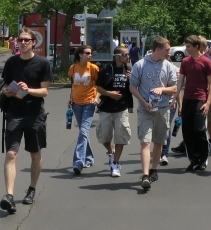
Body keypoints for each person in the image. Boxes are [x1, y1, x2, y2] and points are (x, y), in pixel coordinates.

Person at [0, 30, 52, 213]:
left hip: (35, 114)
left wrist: (28, 90)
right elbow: (4, 85)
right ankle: (9, 196)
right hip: (14, 113)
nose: (22, 43)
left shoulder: (42, 63)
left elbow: (45, 91)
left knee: (35, 154)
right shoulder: (11, 62)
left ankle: (31, 189)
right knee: (11, 154)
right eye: (19, 40)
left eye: (26, 40)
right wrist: (7, 91)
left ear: (33, 42)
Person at [129, 37, 178, 191]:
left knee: (158, 141)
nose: (169, 52)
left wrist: (161, 90)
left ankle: (153, 170)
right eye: (167, 49)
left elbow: (175, 88)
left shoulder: (169, 66)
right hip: (145, 109)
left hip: (163, 109)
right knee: (145, 141)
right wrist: (144, 102)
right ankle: (145, 175)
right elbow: (132, 87)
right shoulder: (140, 65)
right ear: (158, 49)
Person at [177, 35, 211, 171]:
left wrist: (208, 102)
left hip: (200, 99)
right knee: (187, 131)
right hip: (188, 99)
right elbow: (181, 80)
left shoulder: (206, 61)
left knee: (199, 130)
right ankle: (193, 159)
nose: (186, 49)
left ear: (196, 47)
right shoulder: (185, 61)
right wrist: (177, 98)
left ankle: (203, 158)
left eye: (188, 46)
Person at [96, 44, 133, 177]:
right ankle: (111, 153)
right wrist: (109, 94)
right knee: (104, 137)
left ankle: (115, 163)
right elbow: (98, 87)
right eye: (125, 55)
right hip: (106, 108)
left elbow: (133, 88)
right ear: (117, 56)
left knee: (121, 136)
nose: (128, 57)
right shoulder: (106, 68)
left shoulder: (128, 69)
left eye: (128, 54)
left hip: (122, 108)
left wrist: (131, 79)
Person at [67, 45, 100, 174]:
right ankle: (89, 158)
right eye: (87, 53)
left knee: (84, 131)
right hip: (76, 103)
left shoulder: (93, 68)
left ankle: (78, 162)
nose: (90, 55)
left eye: (91, 53)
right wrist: (70, 98)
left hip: (89, 103)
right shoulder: (73, 68)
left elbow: (99, 85)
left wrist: (96, 98)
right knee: (83, 132)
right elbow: (73, 84)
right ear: (80, 54)